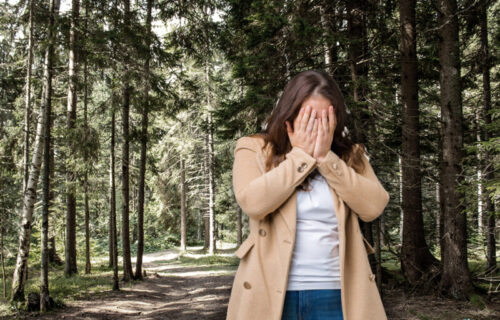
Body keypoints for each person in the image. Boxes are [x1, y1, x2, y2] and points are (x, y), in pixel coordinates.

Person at [226, 69, 390, 320]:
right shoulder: (254, 148)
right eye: (308, 117)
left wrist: (326, 159)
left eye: (325, 118)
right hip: (271, 294)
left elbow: (374, 207)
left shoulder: (351, 156)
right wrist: (301, 156)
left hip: (340, 294)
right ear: (288, 116)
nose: (317, 127)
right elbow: (253, 203)